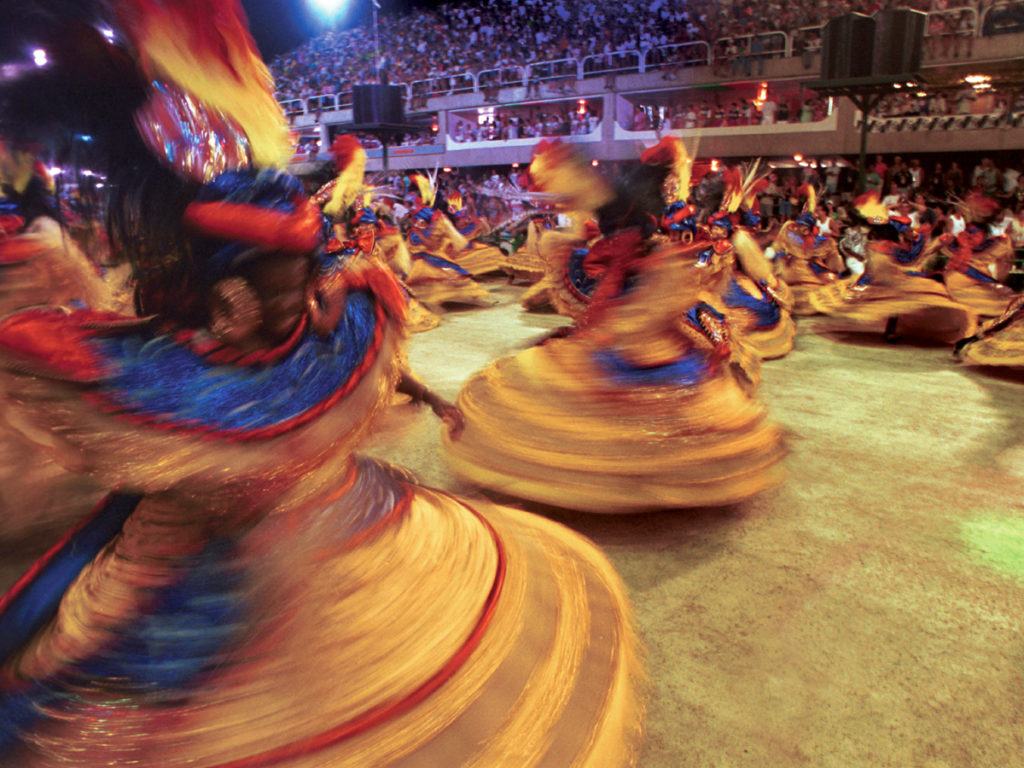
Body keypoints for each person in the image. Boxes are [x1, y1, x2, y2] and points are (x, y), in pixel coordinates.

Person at [0, 14, 641, 766]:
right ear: (225, 292)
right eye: (266, 290)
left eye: (294, 283)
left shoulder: (330, 332)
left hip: (301, 545)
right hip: (224, 553)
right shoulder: (200, 375)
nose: (285, 301)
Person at [445, 141, 785, 512]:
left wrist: (611, 332)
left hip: (644, 346)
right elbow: (618, 301)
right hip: (632, 331)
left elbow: (644, 314)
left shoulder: (659, 263)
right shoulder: (632, 257)